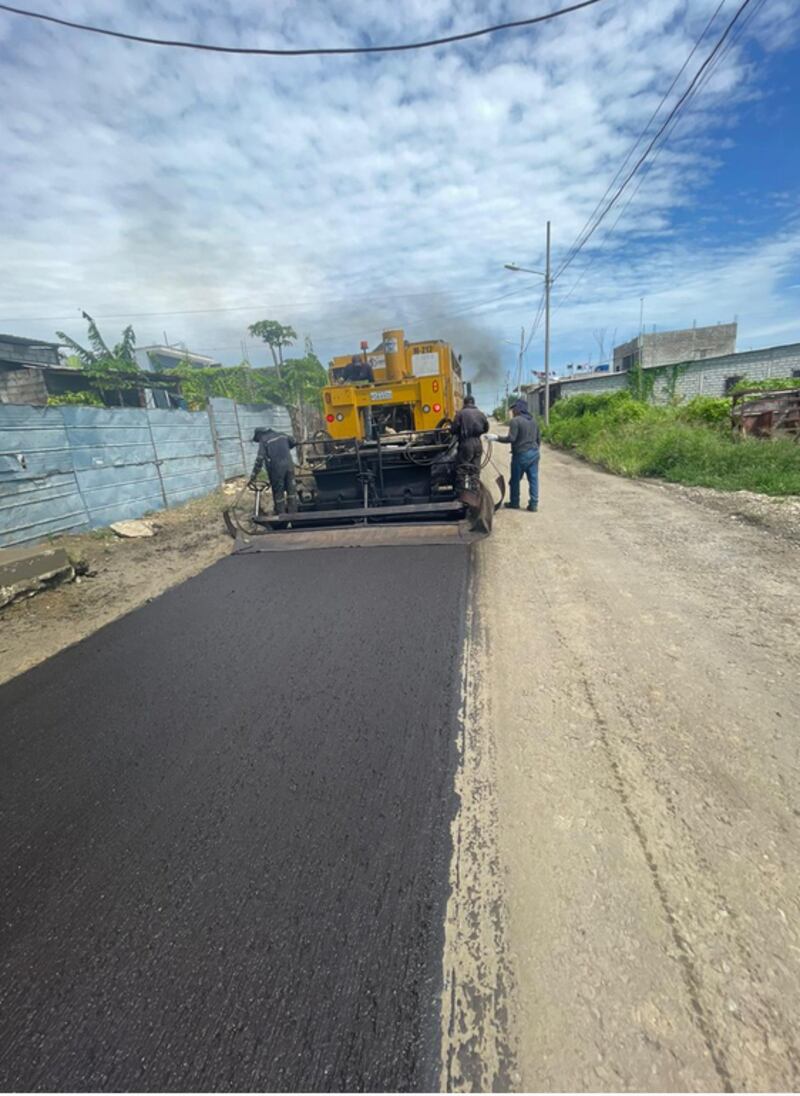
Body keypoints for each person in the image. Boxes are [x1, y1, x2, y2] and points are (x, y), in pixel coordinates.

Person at [493, 399, 540, 511]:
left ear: (519, 409)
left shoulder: (515, 421)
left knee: (514, 480)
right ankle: (533, 504)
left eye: (514, 408)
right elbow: (538, 440)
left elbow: (511, 438)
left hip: (520, 455)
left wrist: (496, 438)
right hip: (534, 453)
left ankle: (514, 502)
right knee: (533, 479)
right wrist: (535, 452)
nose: (512, 411)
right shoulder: (534, 421)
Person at [249, 427, 298, 514]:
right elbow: (294, 441)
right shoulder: (282, 435)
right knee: (292, 492)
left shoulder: (264, 440)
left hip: (277, 470)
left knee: (279, 494)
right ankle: (294, 516)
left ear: (259, 435)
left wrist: (253, 475)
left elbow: (260, 458)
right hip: (290, 467)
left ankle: (282, 518)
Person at [452, 395, 489, 489]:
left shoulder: (460, 413)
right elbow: (486, 429)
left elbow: (453, 429)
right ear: (473, 403)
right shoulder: (481, 414)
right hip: (478, 443)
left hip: (466, 443)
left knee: (462, 469)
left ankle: (462, 493)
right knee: (475, 469)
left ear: (464, 403)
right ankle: (474, 491)